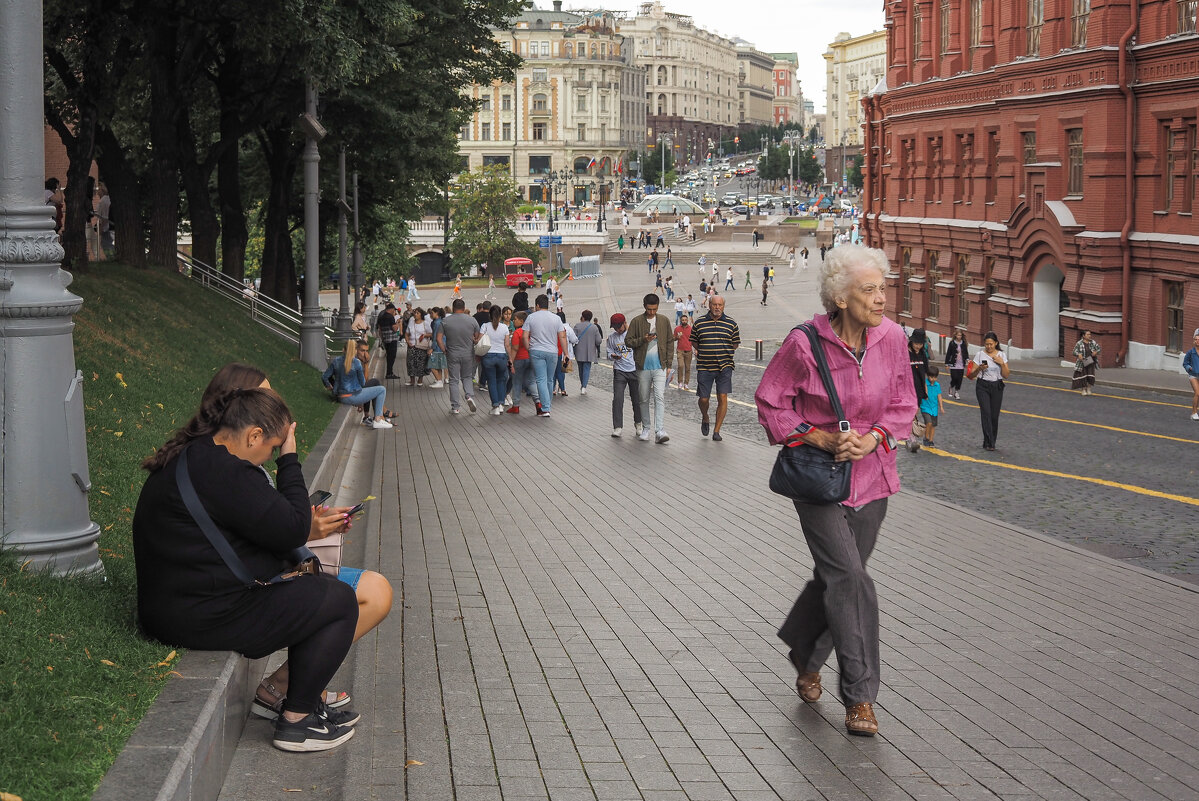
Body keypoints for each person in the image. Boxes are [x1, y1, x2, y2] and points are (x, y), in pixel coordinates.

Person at [133, 387, 362, 752]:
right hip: (197, 616)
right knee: (338, 601)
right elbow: (291, 525)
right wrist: (289, 458)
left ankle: (303, 706)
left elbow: (261, 530)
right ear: (254, 435)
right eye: (270, 447)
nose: (268, 457)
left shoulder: (197, 457)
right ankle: (297, 723)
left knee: (316, 591)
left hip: (175, 606)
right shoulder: (226, 471)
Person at [754, 243, 916, 738]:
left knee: (837, 579)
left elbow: (904, 402)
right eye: (870, 290)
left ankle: (805, 653)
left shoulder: (892, 338)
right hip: (820, 482)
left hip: (874, 478)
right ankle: (861, 696)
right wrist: (820, 436)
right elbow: (769, 402)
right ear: (841, 298)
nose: (882, 299)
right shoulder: (805, 344)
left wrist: (873, 439)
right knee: (850, 578)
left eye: (883, 288)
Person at [625, 294, 675, 444]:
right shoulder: (636, 321)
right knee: (644, 398)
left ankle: (659, 430)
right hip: (643, 366)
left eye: (654, 309)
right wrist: (643, 340)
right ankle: (646, 427)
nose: (652, 312)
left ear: (658, 306)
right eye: (649, 309)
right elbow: (628, 341)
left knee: (659, 396)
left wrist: (669, 364)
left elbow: (670, 342)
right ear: (644, 306)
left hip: (660, 366)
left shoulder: (664, 320)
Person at [690, 295, 739, 442]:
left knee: (722, 396)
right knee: (703, 399)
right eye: (715, 305)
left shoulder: (731, 323)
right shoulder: (699, 323)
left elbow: (735, 343)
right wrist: (707, 351)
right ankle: (705, 417)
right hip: (705, 366)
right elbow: (694, 341)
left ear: (723, 306)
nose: (717, 308)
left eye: (720, 305)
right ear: (709, 305)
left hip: (725, 366)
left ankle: (717, 431)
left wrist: (724, 351)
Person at [323, 340, 393, 430]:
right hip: (352, 396)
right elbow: (363, 383)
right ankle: (378, 419)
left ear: (343, 350)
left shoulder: (336, 361)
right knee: (381, 389)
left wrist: (329, 386)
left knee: (376, 386)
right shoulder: (356, 363)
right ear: (355, 351)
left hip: (341, 396)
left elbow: (324, 377)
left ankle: (374, 418)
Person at [967, 331, 1011, 451]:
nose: (989, 347)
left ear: (996, 343)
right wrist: (980, 369)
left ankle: (990, 440)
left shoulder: (1001, 355)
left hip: (997, 386)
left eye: (991, 344)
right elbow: (971, 375)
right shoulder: (980, 355)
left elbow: (1006, 375)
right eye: (987, 344)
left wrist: (1002, 364)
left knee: (994, 416)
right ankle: (990, 442)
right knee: (986, 413)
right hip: (982, 386)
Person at [524, 294, 567, 417]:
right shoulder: (556, 318)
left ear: (537, 305)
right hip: (552, 352)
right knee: (549, 379)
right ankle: (547, 406)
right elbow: (562, 336)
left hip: (536, 351)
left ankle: (545, 408)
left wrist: (529, 348)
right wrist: (566, 353)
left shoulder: (531, 317)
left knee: (540, 379)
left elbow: (524, 336)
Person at [438, 299, 481, 414]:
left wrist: (444, 349)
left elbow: (439, 338)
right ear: (464, 307)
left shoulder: (445, 321)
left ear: (453, 308)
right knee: (467, 377)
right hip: (468, 354)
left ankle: (455, 407)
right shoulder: (472, 320)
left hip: (452, 353)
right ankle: (469, 396)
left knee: (453, 380)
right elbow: (477, 337)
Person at [607, 314, 643, 437]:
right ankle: (617, 426)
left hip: (634, 370)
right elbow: (609, 351)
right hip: (619, 371)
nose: (618, 330)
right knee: (618, 398)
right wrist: (612, 356)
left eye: (619, 327)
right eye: (615, 328)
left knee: (637, 399)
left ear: (625, 323)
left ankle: (638, 423)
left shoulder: (633, 335)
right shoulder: (612, 338)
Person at [478, 305, 511, 414]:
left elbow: (479, 340)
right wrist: (510, 358)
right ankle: (501, 403)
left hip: (488, 356)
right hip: (501, 356)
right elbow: (507, 345)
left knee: (491, 381)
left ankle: (495, 406)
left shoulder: (485, 326)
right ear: (500, 314)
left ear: (490, 315)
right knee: (501, 380)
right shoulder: (504, 328)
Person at [506, 311, 539, 415]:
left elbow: (515, 349)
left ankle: (516, 406)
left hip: (519, 360)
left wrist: (511, 361)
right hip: (531, 358)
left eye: (515, 319)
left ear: (522, 321)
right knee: (531, 381)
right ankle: (538, 403)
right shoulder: (532, 331)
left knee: (517, 382)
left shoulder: (518, 332)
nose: (513, 321)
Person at [572, 310, 602, 395]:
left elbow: (573, 338)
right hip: (589, 352)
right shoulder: (594, 327)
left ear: (583, 317)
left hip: (579, 351)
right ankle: (584, 386)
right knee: (586, 369)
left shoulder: (577, 326)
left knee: (580, 369)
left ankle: (582, 384)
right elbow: (599, 341)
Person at [405, 307, 432, 387]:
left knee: (421, 363)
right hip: (412, 345)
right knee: (410, 363)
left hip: (421, 346)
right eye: (415, 313)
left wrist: (424, 335)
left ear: (421, 315)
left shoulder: (425, 323)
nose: (415, 315)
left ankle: (420, 380)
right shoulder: (411, 322)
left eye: (417, 313)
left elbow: (431, 333)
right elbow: (406, 333)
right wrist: (407, 341)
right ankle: (412, 380)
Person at [375, 303, 401, 380]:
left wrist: (382, 338)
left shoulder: (381, 316)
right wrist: (398, 323)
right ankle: (389, 373)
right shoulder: (390, 317)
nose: (394, 311)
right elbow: (395, 329)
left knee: (388, 356)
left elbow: (379, 329)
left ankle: (389, 372)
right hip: (392, 339)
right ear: (391, 309)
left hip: (385, 339)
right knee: (392, 357)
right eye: (394, 310)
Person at [1071, 330, 1101, 395]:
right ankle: (1083, 390)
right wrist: (1079, 354)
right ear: (1083, 336)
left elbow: (1099, 349)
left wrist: (1096, 352)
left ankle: (1089, 388)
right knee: (1083, 376)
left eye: (1090, 334)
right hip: (1083, 362)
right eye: (1087, 334)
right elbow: (1074, 352)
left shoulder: (1093, 342)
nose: (1089, 336)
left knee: (1090, 376)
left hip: (1091, 361)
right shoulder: (1079, 343)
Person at [921, 365, 944, 447]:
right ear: (928, 376)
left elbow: (939, 396)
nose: (933, 379)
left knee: (933, 425)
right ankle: (926, 438)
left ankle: (931, 440)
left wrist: (941, 406)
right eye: (931, 377)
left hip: (934, 408)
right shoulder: (925, 384)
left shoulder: (937, 385)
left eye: (935, 377)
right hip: (925, 407)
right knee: (929, 423)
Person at [944, 330, 969, 399]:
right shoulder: (952, 343)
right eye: (958, 335)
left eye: (960, 335)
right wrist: (947, 364)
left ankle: (956, 392)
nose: (959, 337)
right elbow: (948, 354)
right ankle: (951, 387)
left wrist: (967, 359)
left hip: (961, 364)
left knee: (960, 379)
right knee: (954, 377)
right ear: (955, 335)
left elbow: (966, 353)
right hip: (953, 364)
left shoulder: (963, 343)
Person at [426, 306, 446, 388]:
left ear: (436, 313)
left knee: (432, 364)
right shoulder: (440, 321)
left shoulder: (437, 323)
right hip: (442, 345)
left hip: (437, 346)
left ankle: (439, 380)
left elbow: (435, 337)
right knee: (439, 365)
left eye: (432, 313)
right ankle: (439, 380)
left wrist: (432, 348)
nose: (431, 315)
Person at [673, 314, 693, 390]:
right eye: (683, 320)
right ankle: (680, 382)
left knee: (687, 368)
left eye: (685, 320)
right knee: (680, 366)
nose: (684, 321)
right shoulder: (677, 329)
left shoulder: (691, 329)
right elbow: (673, 338)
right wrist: (676, 337)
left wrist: (695, 349)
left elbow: (694, 340)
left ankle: (686, 383)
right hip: (680, 350)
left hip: (688, 350)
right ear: (681, 320)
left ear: (687, 320)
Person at [1186, 330, 1199, 421]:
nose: (1197, 341)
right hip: (1193, 375)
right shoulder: (1190, 352)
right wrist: (1189, 367)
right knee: (1198, 393)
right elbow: (1185, 363)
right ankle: (1194, 413)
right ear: (1194, 341)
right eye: (1196, 339)